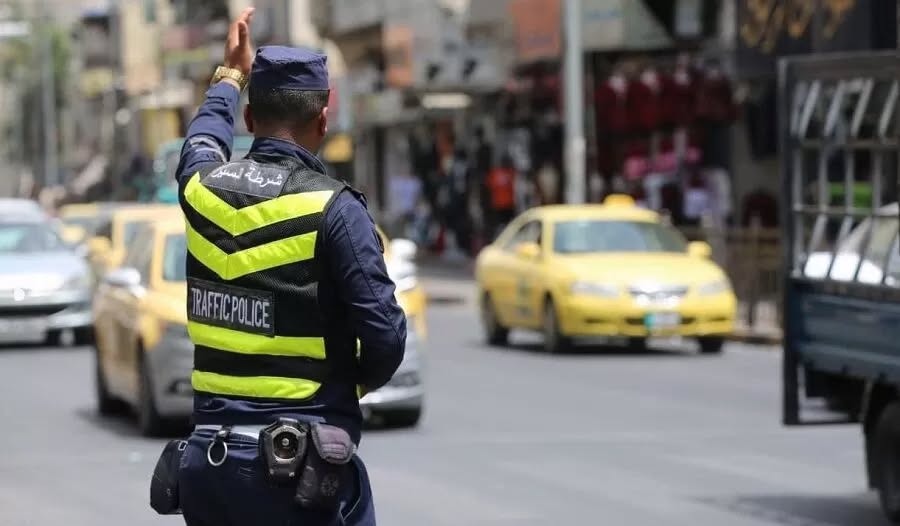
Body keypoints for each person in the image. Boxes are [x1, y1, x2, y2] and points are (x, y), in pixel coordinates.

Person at [168, 8, 406, 526]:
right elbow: (386, 338)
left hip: (209, 470)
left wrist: (229, 76)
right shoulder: (334, 210)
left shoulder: (201, 189)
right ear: (323, 120)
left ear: (250, 120)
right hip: (298, 478)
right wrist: (346, 387)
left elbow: (202, 143)